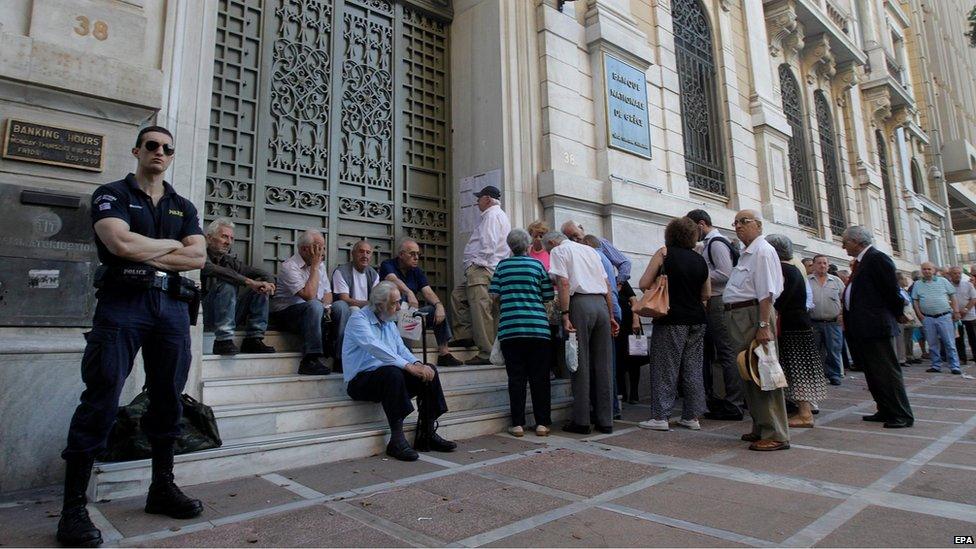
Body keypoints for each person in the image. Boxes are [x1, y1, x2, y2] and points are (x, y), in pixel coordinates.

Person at [57, 126, 206, 546]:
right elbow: (118, 243)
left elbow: (198, 255)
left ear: (172, 156)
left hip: (172, 308)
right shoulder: (112, 193)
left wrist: (145, 245)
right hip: (124, 305)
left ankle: (161, 487)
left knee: (167, 399)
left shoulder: (183, 204)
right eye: (152, 146)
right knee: (102, 397)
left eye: (167, 148)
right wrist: (167, 246)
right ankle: (72, 509)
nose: (159, 152)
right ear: (138, 150)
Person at [343, 282, 456, 461]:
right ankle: (396, 440)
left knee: (429, 371)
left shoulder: (388, 321)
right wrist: (407, 366)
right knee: (393, 373)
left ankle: (426, 433)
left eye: (398, 302)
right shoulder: (359, 319)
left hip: (386, 378)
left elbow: (401, 349)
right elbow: (376, 348)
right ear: (380, 305)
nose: (398, 307)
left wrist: (417, 363)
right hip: (360, 381)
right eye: (394, 303)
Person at [723, 210, 789, 451]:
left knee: (764, 372)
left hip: (753, 316)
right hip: (741, 316)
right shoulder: (747, 253)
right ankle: (761, 425)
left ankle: (776, 433)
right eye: (736, 222)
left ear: (759, 225)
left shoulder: (763, 251)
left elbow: (767, 293)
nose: (738, 226)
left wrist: (763, 326)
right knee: (749, 372)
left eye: (744, 222)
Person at [636, 217, 709, 431]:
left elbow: (643, 283)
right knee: (693, 367)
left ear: (670, 234)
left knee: (665, 367)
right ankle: (692, 416)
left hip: (671, 318)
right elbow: (706, 293)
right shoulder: (699, 259)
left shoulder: (664, 253)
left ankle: (660, 417)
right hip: (697, 319)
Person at [545, 232, 620, 434]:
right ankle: (605, 420)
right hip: (601, 306)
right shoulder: (590, 250)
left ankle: (582, 420)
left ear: (552, 242)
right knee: (604, 364)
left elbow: (563, 283)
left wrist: (565, 313)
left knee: (579, 363)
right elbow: (607, 286)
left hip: (579, 304)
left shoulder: (560, 251)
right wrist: (611, 314)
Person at [842, 226, 914, 427]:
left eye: (845, 242)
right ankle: (884, 408)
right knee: (873, 372)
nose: (843, 245)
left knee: (886, 371)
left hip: (876, 325)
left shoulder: (877, 259)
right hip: (863, 327)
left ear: (858, 241)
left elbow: (891, 290)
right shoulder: (861, 262)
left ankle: (901, 414)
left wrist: (898, 313)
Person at [489, 229, 555, 437]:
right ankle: (542, 423)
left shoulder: (502, 266)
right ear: (527, 245)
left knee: (516, 378)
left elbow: (494, 295)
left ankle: (517, 423)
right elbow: (547, 295)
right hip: (538, 329)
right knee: (540, 378)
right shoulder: (537, 265)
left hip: (511, 329)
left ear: (510, 246)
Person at [687, 209, 744, 421]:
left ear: (701, 224)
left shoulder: (717, 243)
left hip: (719, 301)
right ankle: (725, 399)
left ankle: (734, 403)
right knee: (721, 353)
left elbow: (725, 273)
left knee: (726, 352)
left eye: (693, 229)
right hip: (714, 301)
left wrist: (698, 273)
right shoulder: (710, 243)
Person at [767, 235, 828, 428]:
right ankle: (804, 410)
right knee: (798, 368)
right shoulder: (795, 269)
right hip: (800, 324)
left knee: (797, 369)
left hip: (792, 326)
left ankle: (805, 413)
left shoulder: (783, 270)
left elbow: (778, 300)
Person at [452, 185, 511, 364]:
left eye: (479, 198)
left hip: (482, 269)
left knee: (481, 311)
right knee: (458, 296)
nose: (477, 202)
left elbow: (489, 243)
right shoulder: (499, 215)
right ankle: (466, 335)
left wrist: (476, 263)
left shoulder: (491, 215)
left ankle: (486, 353)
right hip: (487, 269)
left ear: (487, 199)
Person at [379, 238, 461, 366]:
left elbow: (427, 292)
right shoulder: (388, 264)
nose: (416, 257)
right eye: (412, 254)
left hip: (410, 315)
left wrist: (439, 305)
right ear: (401, 255)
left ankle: (444, 353)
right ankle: (406, 352)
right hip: (390, 316)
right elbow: (392, 280)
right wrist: (409, 292)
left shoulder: (416, 271)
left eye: (418, 254)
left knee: (435, 310)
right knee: (401, 297)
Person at [201, 218, 276, 355]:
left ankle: (253, 339)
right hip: (204, 315)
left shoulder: (230, 261)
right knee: (227, 284)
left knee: (260, 289)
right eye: (224, 237)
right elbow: (213, 269)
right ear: (209, 238)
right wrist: (249, 282)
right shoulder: (200, 256)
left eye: (231, 238)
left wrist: (267, 284)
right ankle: (223, 340)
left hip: (230, 315)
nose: (228, 242)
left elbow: (262, 273)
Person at [270, 229, 333, 375]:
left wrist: (327, 307)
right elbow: (309, 296)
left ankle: (339, 357)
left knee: (341, 308)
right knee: (314, 305)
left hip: (314, 312)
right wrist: (315, 268)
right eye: (319, 247)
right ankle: (310, 359)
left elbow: (328, 293)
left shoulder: (320, 265)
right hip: (287, 314)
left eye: (323, 247)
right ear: (305, 249)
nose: (322, 252)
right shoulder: (289, 267)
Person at [331, 240, 380, 367]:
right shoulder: (341, 271)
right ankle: (340, 359)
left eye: (368, 253)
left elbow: (376, 299)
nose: (365, 255)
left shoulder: (373, 274)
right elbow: (344, 299)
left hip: (367, 310)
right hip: (346, 310)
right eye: (361, 251)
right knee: (353, 311)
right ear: (353, 254)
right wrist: (369, 304)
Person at [911, 262, 961, 374]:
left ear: (934, 270)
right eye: (924, 269)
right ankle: (936, 365)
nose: (926, 271)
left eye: (929, 269)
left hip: (944, 316)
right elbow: (915, 300)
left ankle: (954, 366)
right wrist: (920, 315)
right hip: (928, 318)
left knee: (949, 342)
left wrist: (956, 311)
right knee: (932, 343)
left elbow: (953, 296)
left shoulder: (943, 281)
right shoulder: (918, 284)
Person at [808, 254, 845, 385]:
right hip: (814, 322)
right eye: (819, 263)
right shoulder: (807, 281)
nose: (822, 266)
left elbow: (844, 299)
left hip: (833, 322)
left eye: (825, 263)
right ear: (813, 265)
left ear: (828, 265)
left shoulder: (836, 281)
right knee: (814, 350)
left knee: (833, 349)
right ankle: (816, 375)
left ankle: (834, 374)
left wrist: (842, 315)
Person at [560, 220, 632, 285]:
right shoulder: (571, 250)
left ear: (581, 228)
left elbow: (624, 262)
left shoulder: (600, 243)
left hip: (607, 291)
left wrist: (619, 283)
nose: (574, 239)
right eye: (570, 238)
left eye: (575, 235)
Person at [947, 266, 976, 365]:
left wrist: (966, 309)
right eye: (954, 273)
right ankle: (962, 358)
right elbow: (947, 300)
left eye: (959, 273)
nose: (957, 275)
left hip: (970, 315)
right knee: (959, 338)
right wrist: (956, 311)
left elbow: (973, 299)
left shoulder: (968, 285)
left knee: (973, 337)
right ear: (950, 275)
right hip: (956, 316)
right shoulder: (948, 286)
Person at [897, 272, 921, 365]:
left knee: (909, 338)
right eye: (904, 278)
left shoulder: (904, 290)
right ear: (899, 280)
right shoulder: (897, 290)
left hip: (909, 316)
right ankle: (904, 357)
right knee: (903, 338)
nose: (906, 280)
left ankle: (910, 355)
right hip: (903, 317)